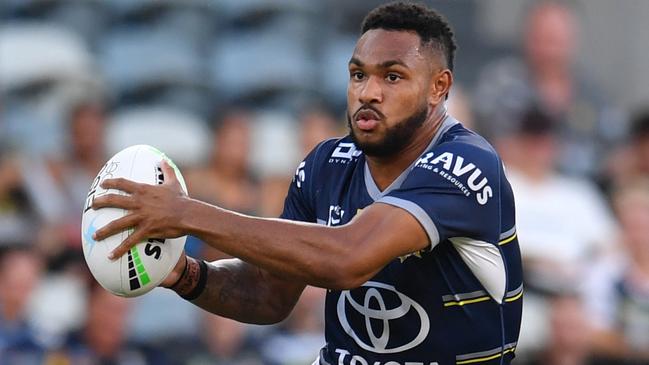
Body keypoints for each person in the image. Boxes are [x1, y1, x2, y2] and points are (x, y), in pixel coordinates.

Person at [91, 2, 523, 364]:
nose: (368, 92)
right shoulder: (326, 165)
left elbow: (349, 258)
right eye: (358, 74)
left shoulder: (467, 164)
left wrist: (188, 214)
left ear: (438, 88)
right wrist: (182, 273)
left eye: (392, 77)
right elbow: (268, 293)